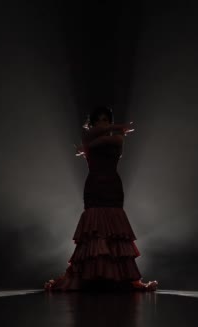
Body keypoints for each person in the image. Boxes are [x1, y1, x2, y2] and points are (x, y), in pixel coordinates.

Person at [44, 106, 158, 291]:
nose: (103, 123)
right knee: (95, 230)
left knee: (115, 230)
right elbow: (94, 138)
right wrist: (117, 127)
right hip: (95, 186)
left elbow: (102, 140)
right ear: (94, 123)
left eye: (106, 120)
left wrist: (92, 143)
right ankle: (93, 276)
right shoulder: (101, 135)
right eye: (99, 120)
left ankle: (117, 278)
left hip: (112, 186)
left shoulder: (116, 138)